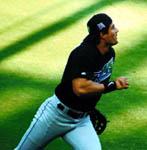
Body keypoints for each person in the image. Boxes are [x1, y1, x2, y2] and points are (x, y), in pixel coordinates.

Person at [14, 13, 129, 150]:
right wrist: (112, 86)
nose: (117, 30)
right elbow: (80, 88)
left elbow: (95, 84)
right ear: (102, 34)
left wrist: (88, 106)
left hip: (81, 120)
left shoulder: (109, 54)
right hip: (55, 116)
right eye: (112, 28)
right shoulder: (82, 54)